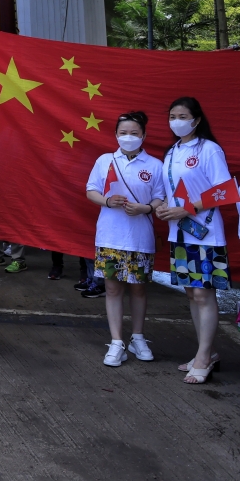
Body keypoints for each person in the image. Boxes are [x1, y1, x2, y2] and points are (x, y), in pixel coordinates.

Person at [154, 97, 231, 384]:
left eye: (182, 115)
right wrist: (163, 206)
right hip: (179, 232)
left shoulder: (209, 149)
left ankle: (204, 356)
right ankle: (205, 352)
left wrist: (189, 208)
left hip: (206, 234)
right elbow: (168, 190)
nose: (176, 121)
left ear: (196, 119)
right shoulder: (172, 151)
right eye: (172, 115)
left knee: (203, 293)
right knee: (190, 293)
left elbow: (225, 191)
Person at [85, 112, 166, 367]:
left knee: (139, 288)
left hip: (140, 237)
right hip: (110, 235)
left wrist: (146, 208)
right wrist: (108, 201)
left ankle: (138, 337)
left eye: (134, 133)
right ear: (116, 135)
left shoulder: (154, 165)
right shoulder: (105, 161)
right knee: (112, 288)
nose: (128, 137)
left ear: (143, 135)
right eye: (123, 133)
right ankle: (117, 341)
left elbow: (160, 197)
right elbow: (91, 191)